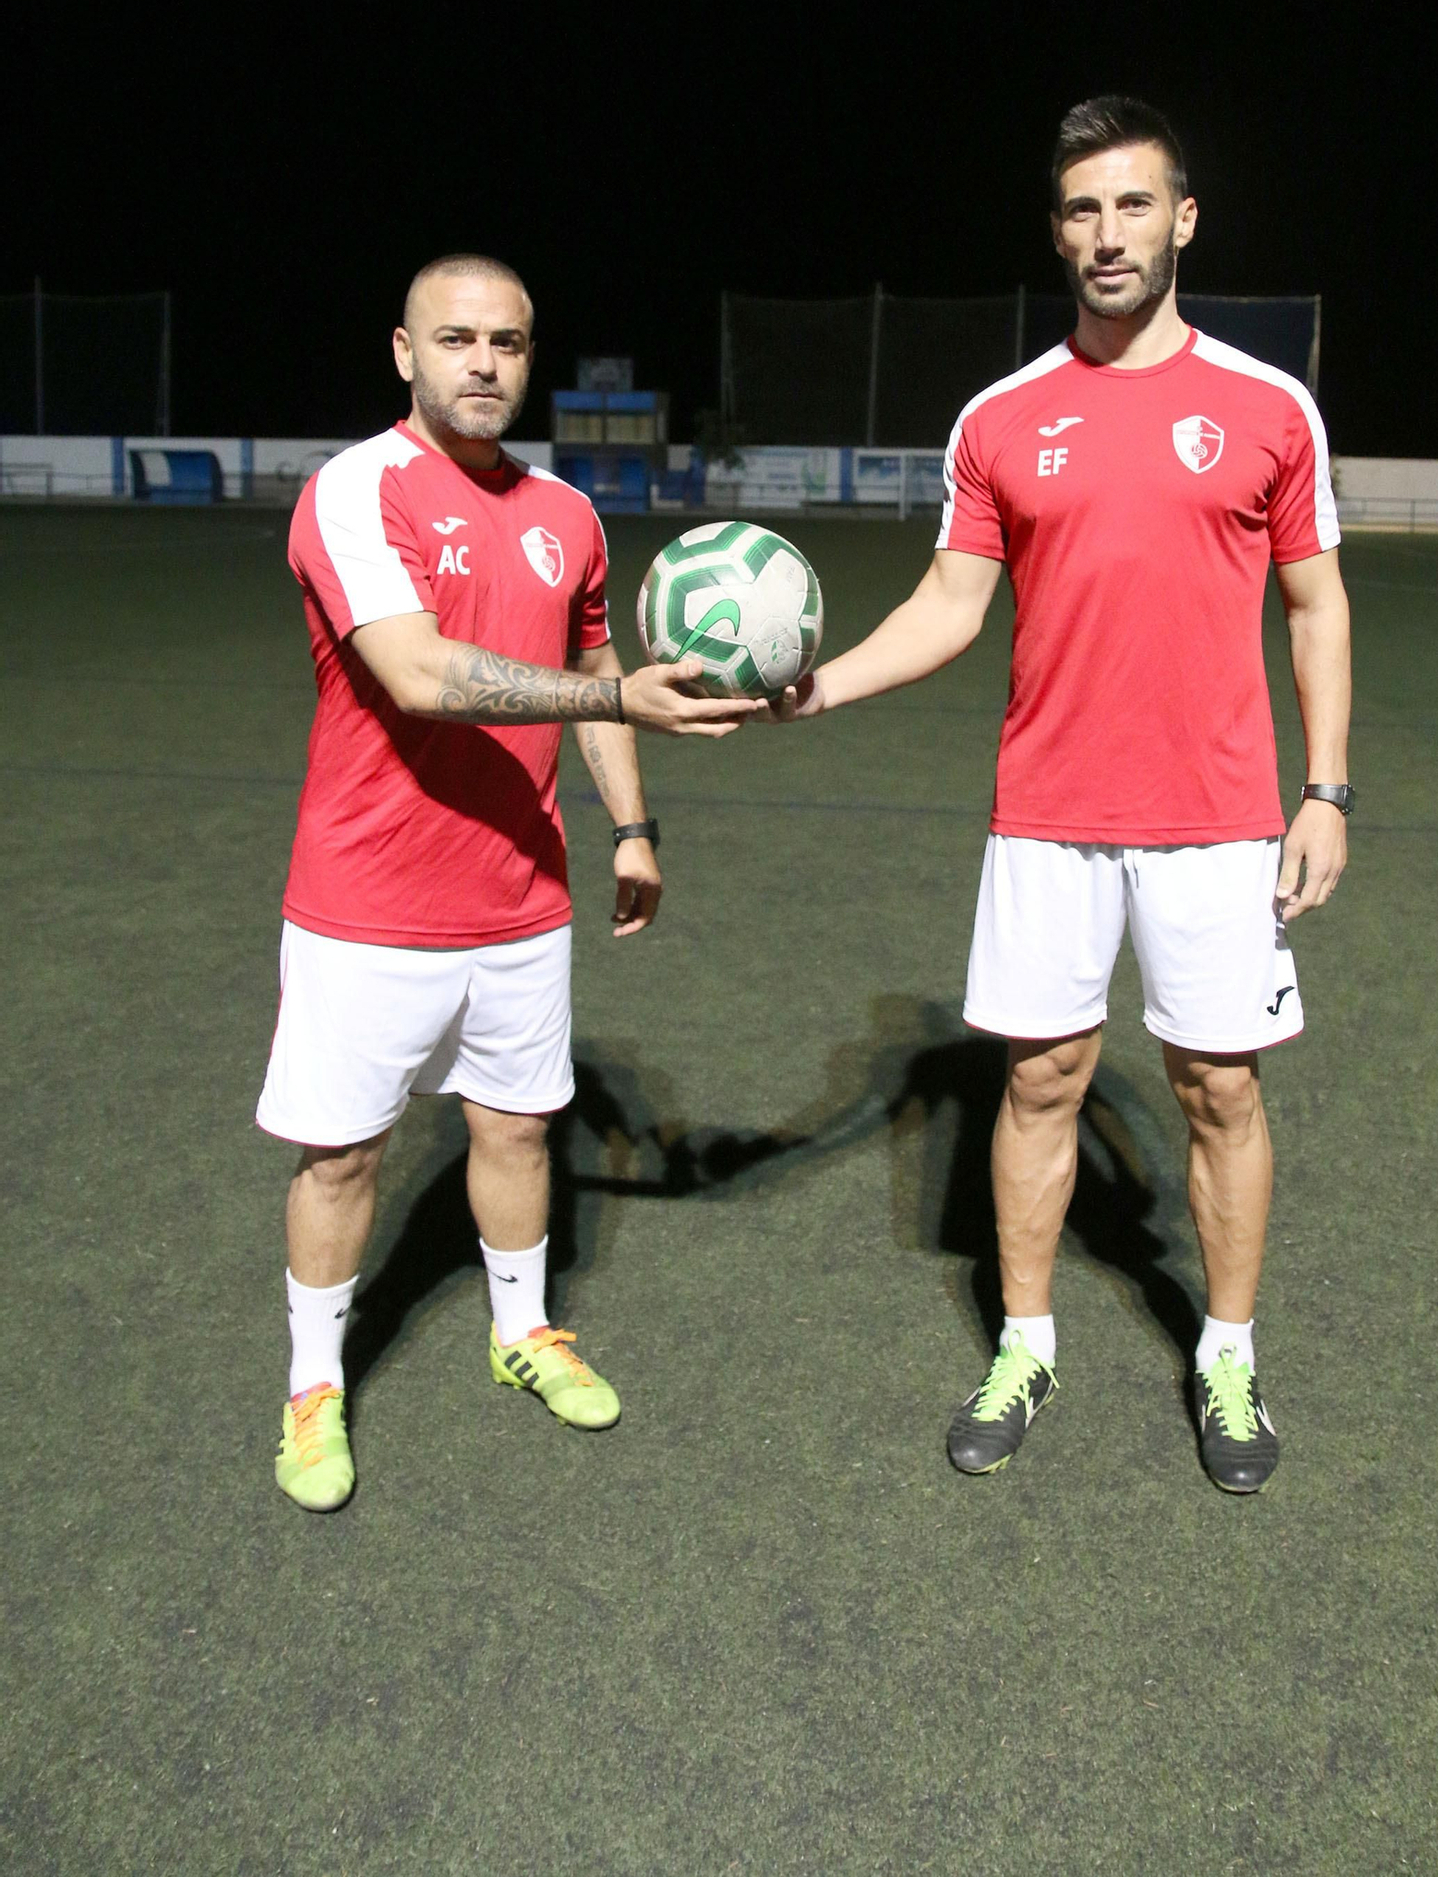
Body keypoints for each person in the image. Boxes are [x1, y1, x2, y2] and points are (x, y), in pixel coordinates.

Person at [770, 97, 1350, 1491]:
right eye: (1084, 211)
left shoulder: (1270, 409)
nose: (1109, 234)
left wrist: (1325, 790)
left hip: (1220, 817)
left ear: (1183, 220)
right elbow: (947, 607)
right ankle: (1024, 1342)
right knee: (1039, 1080)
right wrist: (815, 688)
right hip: (1047, 813)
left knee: (1220, 1089)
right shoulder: (1002, 418)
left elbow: (1317, 604)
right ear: (1058, 231)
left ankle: (1227, 1357)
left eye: (1134, 205)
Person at [259, 254, 753, 1511]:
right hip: (369, 902)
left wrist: (632, 825)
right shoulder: (356, 491)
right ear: (403, 351)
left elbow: (589, 665)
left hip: (521, 901)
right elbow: (420, 676)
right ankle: (314, 1386)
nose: (484, 363)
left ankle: (522, 1330)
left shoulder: (568, 516)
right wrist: (610, 690)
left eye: (509, 343)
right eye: (458, 339)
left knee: (518, 1127)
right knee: (340, 1161)